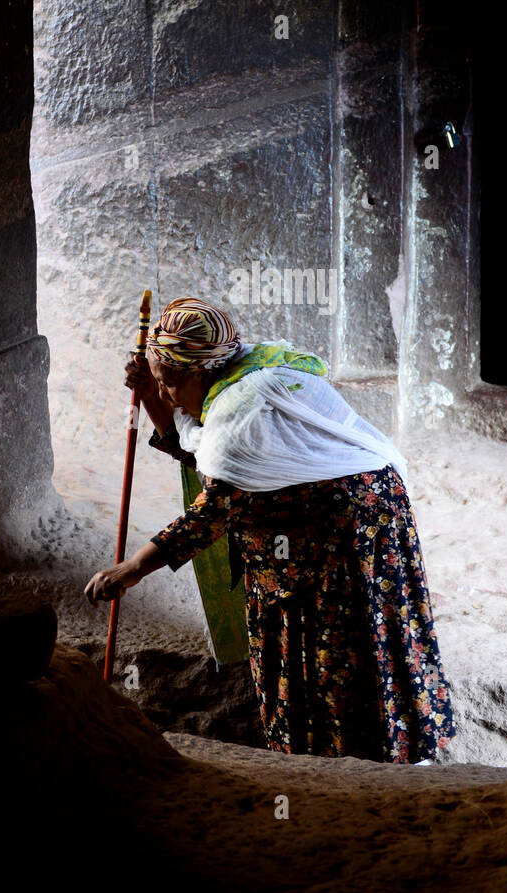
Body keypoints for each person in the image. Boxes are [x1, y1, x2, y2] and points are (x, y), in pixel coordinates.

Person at [84, 296, 456, 764]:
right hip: (311, 548)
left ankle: (383, 766)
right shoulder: (242, 372)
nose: (169, 396)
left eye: (172, 384)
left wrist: (133, 568)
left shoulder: (246, 408)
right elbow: (201, 447)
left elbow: (214, 507)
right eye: (162, 385)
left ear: (203, 371)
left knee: (351, 649)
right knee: (328, 656)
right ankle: (325, 761)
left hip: (345, 546)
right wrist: (157, 398)